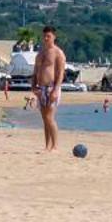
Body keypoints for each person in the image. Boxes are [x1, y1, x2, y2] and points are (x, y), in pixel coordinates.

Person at [32, 24, 67, 152]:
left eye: (49, 36)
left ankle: (55, 146)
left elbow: (61, 73)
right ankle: (47, 145)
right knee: (44, 119)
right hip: (40, 88)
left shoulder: (58, 53)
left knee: (49, 117)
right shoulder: (40, 53)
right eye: (44, 36)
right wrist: (33, 87)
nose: (46, 38)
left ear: (54, 37)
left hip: (52, 87)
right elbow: (35, 71)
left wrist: (56, 89)